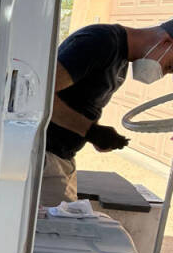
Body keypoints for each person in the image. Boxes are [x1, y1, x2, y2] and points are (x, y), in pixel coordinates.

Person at [40, 19, 173, 206]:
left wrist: (94, 134)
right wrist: (90, 131)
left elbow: (76, 102)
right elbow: (39, 94)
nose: (163, 74)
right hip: (44, 159)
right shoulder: (100, 42)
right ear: (166, 43)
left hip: (62, 159)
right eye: (169, 67)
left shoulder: (120, 59)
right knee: (58, 231)